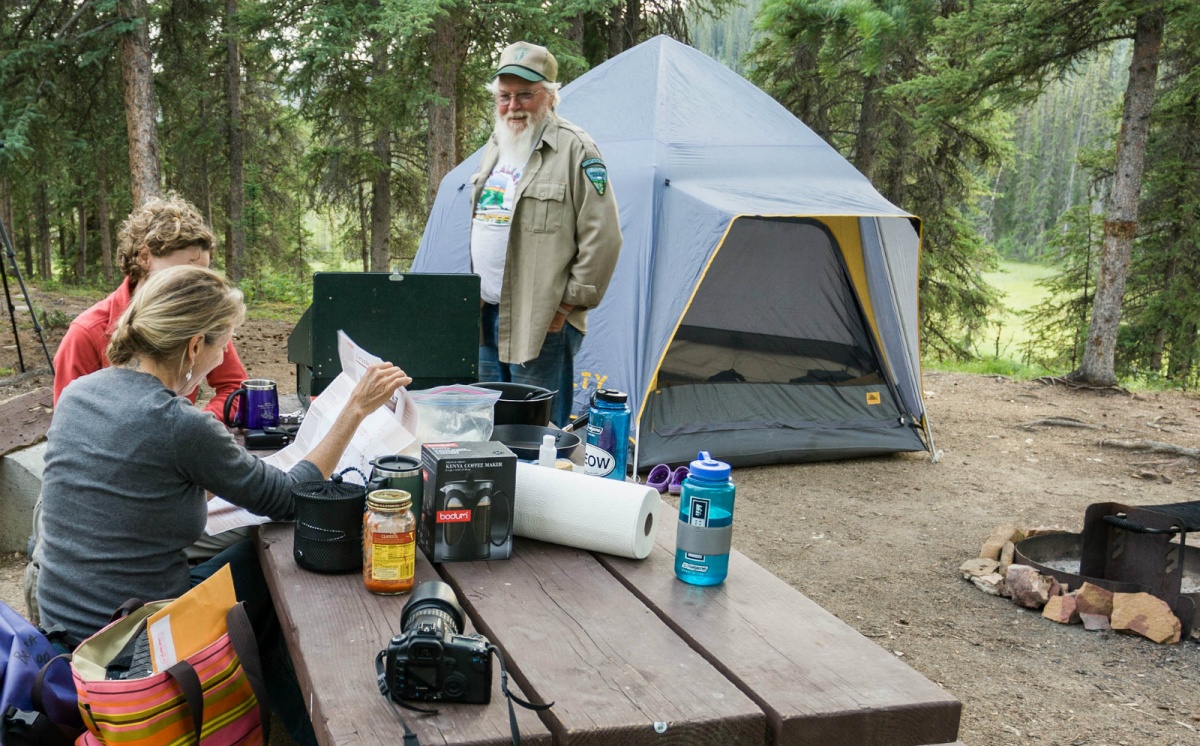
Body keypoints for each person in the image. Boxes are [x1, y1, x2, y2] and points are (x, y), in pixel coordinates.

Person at [35, 265, 410, 745]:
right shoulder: (178, 424)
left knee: (254, 563)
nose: (221, 360)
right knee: (272, 573)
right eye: (223, 345)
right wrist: (353, 411)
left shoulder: (80, 395)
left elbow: (136, 483)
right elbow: (290, 499)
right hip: (135, 639)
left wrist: (221, 475)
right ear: (194, 346)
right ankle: (315, 732)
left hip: (66, 625)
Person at [471, 40, 622, 426]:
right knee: (489, 424)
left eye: (525, 95)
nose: (513, 106)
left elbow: (603, 238)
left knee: (538, 430)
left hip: (540, 320)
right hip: (485, 315)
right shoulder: (497, 144)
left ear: (550, 97)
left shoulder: (576, 149)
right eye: (504, 96)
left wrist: (566, 305)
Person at [52, 192, 246, 418]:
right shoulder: (86, 332)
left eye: (201, 276)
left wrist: (199, 427)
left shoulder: (200, 316)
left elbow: (235, 387)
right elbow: (71, 425)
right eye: (182, 276)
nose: (195, 288)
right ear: (145, 258)